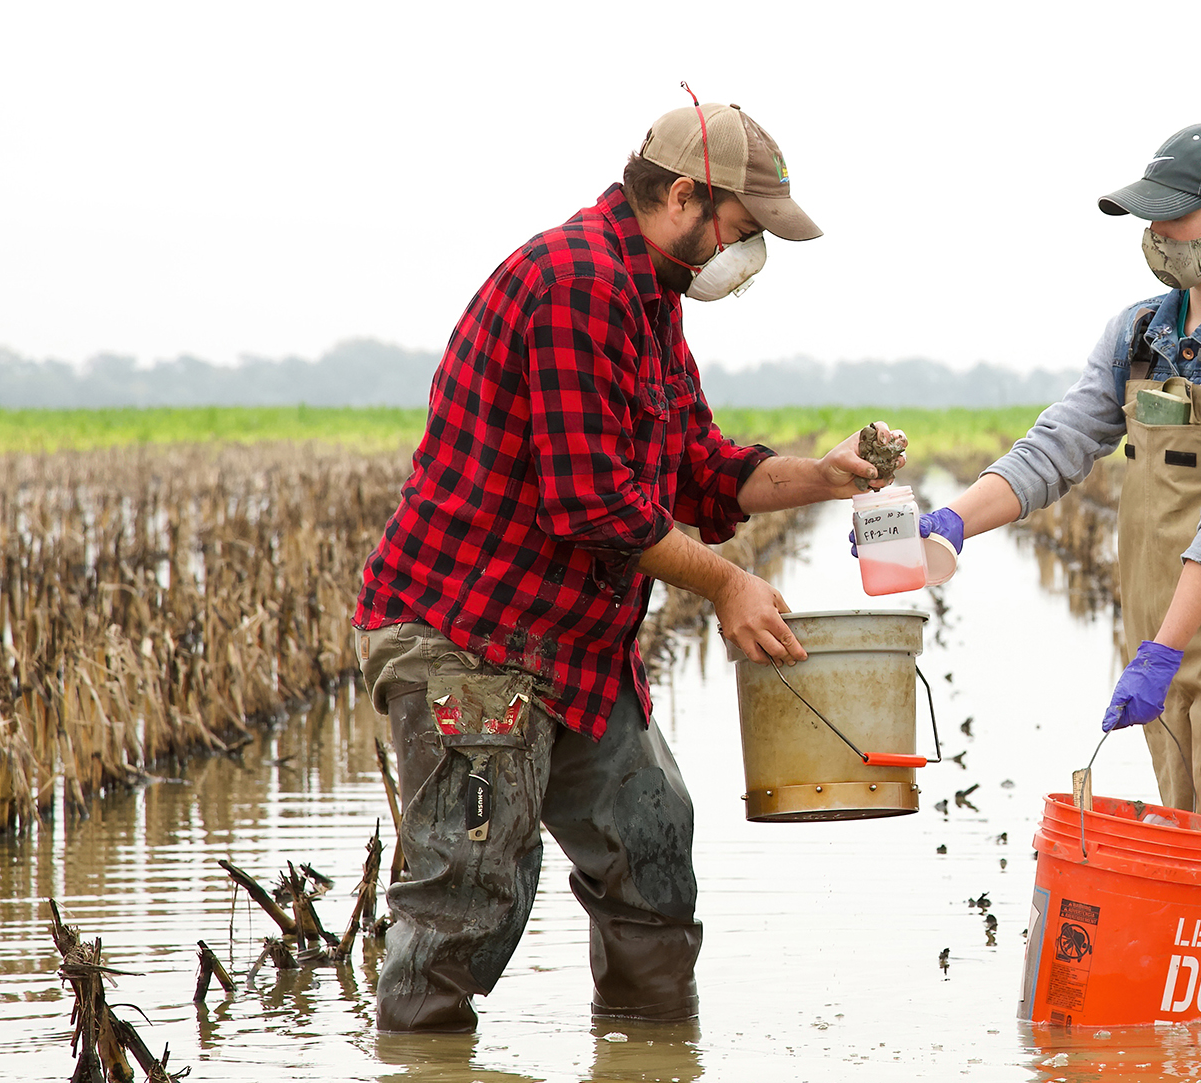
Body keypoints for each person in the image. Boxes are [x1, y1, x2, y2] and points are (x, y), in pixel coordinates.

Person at [352, 94, 902, 1032]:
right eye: (742, 227)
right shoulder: (576, 283)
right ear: (685, 196)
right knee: (470, 896)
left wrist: (824, 476)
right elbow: (593, 504)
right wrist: (728, 584)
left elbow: (696, 465)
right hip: (471, 641)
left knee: (651, 838)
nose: (748, 252)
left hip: (569, 647)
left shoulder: (650, 301)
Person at [916, 121, 1201, 1014]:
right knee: (1187, 892)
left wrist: (1161, 650)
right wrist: (958, 518)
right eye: (1147, 220)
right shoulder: (1143, 332)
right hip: (1171, 651)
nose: (1154, 236)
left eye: (1173, 219)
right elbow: (1060, 443)